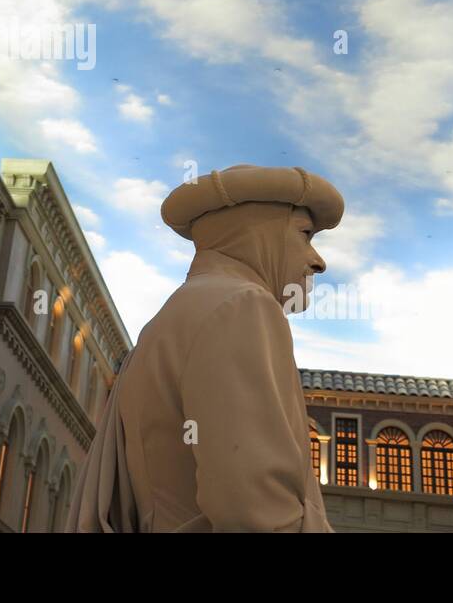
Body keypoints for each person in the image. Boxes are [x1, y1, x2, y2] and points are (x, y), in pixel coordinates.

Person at [68, 164, 343, 532]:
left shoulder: (170, 319)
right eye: (305, 234)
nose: (318, 262)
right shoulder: (242, 305)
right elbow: (257, 513)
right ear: (259, 234)